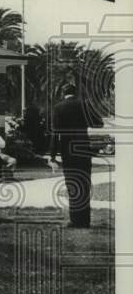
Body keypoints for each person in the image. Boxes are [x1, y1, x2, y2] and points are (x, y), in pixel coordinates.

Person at [49, 83, 103, 228]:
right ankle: (85, 221)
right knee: (84, 183)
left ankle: (75, 221)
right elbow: (99, 124)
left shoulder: (58, 108)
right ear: (76, 92)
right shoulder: (85, 105)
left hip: (68, 151)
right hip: (84, 149)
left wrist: (52, 155)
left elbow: (55, 133)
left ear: (63, 93)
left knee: (72, 184)